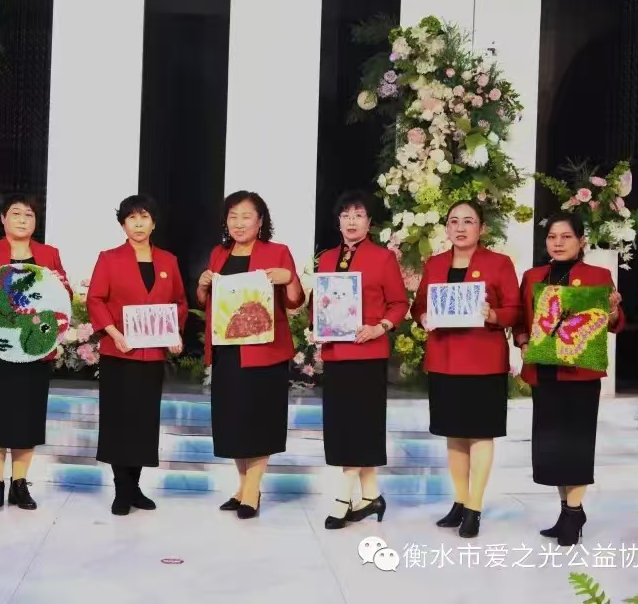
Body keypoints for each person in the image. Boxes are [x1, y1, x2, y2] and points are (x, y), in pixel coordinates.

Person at [411, 200, 521, 538]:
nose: (460, 227)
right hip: (444, 358)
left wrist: (493, 315)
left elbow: (514, 309)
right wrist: (423, 316)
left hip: (483, 361)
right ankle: (459, 501)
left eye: (468, 221)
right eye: (454, 221)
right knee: (454, 433)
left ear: (481, 228)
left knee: (480, 433)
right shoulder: (435, 264)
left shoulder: (499, 263)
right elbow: (418, 305)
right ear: (446, 228)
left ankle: (474, 507)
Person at [513, 213, 624, 546]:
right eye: (552, 237)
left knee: (576, 445)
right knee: (552, 448)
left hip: (580, 375)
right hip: (545, 372)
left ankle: (573, 514)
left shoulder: (598, 276)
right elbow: (521, 319)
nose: (558, 243)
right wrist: (523, 342)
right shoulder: (532, 276)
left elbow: (614, 323)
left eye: (566, 237)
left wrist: (613, 310)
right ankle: (567, 511)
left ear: (581, 241)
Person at [0, 194, 70, 514]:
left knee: (27, 418)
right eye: (16, 213)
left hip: (34, 347)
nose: (22, 219)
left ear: (35, 222)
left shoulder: (49, 254)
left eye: (29, 214)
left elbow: (64, 297)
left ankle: (20, 484)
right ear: (3, 219)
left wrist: (61, 285)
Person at [196, 190, 304, 520]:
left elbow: (294, 300)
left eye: (246, 216)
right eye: (233, 216)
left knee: (259, 421)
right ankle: (242, 488)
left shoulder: (277, 251)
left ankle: (253, 490)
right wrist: (202, 284)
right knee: (233, 422)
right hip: (228, 351)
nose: (239, 223)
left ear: (260, 222)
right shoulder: (218, 253)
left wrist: (289, 278)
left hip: (264, 351)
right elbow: (205, 301)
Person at [86, 194, 188, 516]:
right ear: (123, 224)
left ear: (153, 223)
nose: (139, 223)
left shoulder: (168, 261)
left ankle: (135, 487)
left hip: (152, 356)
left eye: (144, 217)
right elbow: (95, 299)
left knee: (144, 423)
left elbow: (179, 303)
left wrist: (174, 334)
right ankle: (122, 489)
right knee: (119, 422)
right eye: (132, 218)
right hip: (119, 353)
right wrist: (114, 334)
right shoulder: (109, 258)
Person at [315, 190, 409, 529]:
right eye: (346, 215)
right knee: (344, 427)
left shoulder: (383, 258)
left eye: (359, 215)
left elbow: (399, 303)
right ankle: (371, 496)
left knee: (358, 425)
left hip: (367, 353)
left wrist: (379, 327)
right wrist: (318, 326)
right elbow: (320, 303)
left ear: (369, 222)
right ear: (338, 221)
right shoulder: (326, 259)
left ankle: (343, 497)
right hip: (336, 354)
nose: (351, 221)